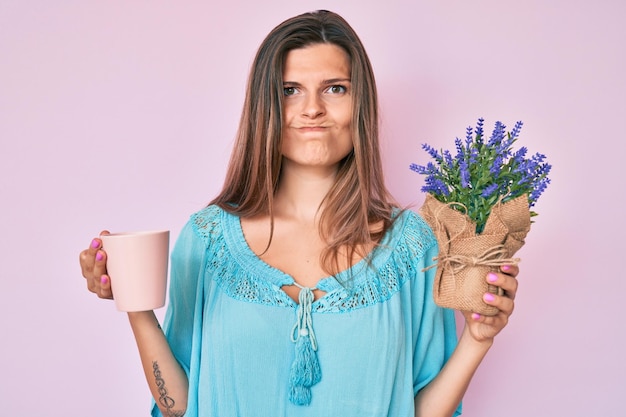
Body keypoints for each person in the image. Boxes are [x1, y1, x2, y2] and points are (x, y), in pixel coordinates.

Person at [79, 10, 518, 417]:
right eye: (290, 91)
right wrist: (135, 305)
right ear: (264, 108)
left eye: (335, 88)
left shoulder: (414, 246)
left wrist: (478, 340)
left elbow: (422, 409)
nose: (312, 108)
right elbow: (178, 405)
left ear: (359, 105)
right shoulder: (206, 239)